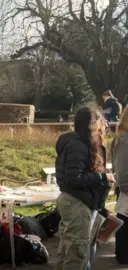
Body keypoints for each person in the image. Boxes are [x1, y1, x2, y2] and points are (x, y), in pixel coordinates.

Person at [55, 105, 116, 270]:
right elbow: (74, 179)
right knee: (77, 253)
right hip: (77, 202)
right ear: (93, 124)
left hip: (80, 201)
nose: (103, 125)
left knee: (69, 250)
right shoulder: (78, 145)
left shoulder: (82, 144)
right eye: (100, 122)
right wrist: (102, 177)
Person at [111, 107, 128, 264]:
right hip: (126, 188)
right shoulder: (124, 138)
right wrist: (124, 185)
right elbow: (122, 165)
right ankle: (123, 255)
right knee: (124, 222)